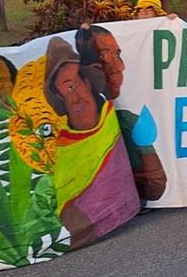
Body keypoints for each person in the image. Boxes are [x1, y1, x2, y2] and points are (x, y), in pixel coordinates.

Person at [43, 37, 140, 248]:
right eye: (67, 89)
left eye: (76, 84)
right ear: (59, 97)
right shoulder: (60, 147)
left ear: (88, 83)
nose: (76, 96)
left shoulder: (116, 121)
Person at [76, 25, 168, 201]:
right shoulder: (69, 125)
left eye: (117, 54)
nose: (119, 66)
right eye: (103, 55)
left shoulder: (127, 121)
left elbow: (155, 186)